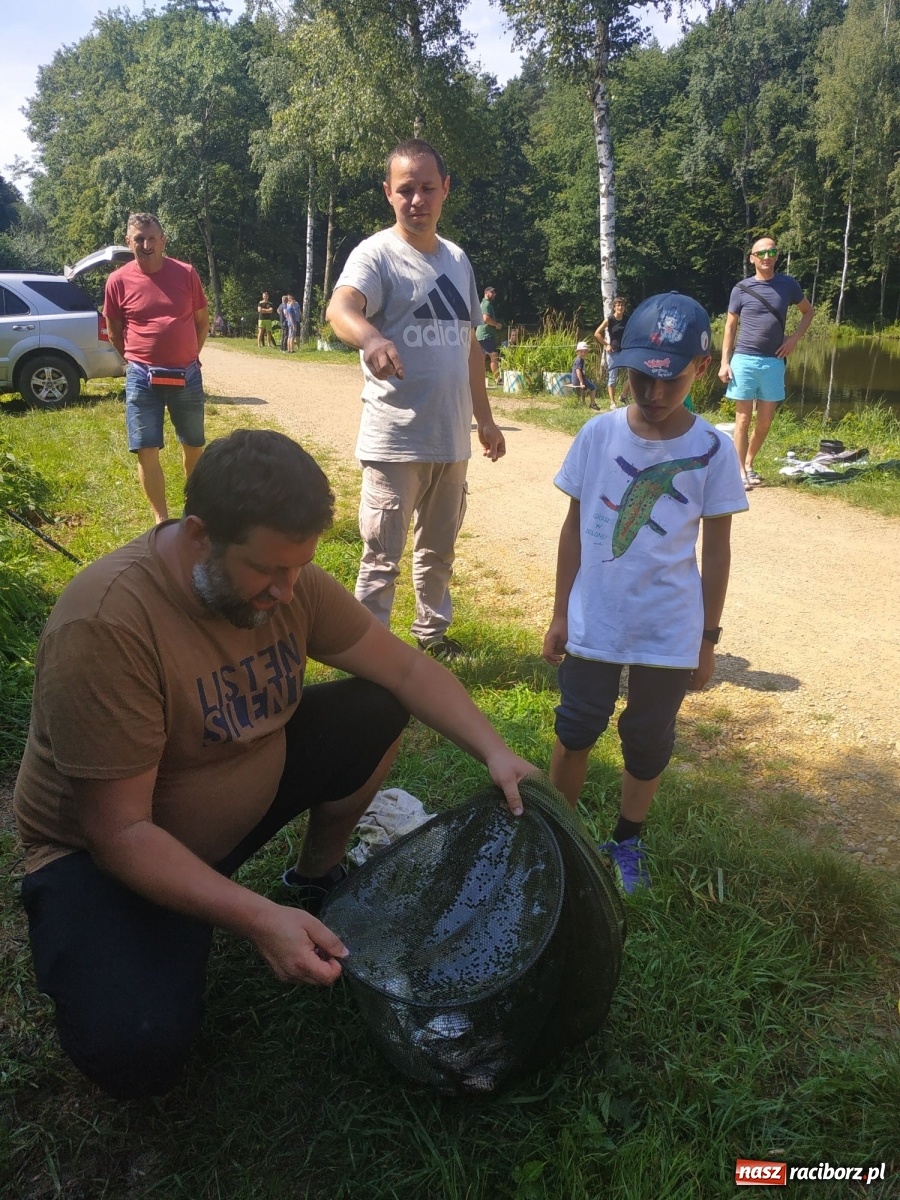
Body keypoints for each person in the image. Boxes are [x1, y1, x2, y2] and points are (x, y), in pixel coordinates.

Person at [13, 428, 534, 1101]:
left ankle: (315, 878)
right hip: (108, 856)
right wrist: (256, 918)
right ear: (199, 536)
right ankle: (176, 924)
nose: (288, 592)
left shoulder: (290, 583)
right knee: (137, 1049)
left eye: (299, 568)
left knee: (376, 704)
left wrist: (495, 751)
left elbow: (405, 668)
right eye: (267, 571)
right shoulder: (109, 627)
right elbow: (120, 835)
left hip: (234, 792)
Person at [542, 294, 748, 893]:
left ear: (701, 371)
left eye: (671, 380)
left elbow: (716, 551)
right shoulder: (597, 434)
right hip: (594, 619)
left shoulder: (713, 449)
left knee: (647, 736)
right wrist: (560, 611)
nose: (653, 394)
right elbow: (574, 530)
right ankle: (560, 836)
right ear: (623, 364)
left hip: (668, 626)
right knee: (577, 723)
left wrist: (708, 638)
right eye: (640, 378)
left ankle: (627, 840)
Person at [326, 139, 506, 660]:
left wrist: (486, 420)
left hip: (451, 439)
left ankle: (432, 638)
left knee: (439, 549)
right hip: (396, 437)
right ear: (389, 193)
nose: (417, 200)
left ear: (445, 189)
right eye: (406, 189)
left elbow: (469, 345)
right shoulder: (376, 254)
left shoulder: (456, 259)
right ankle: (368, 655)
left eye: (428, 188)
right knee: (382, 555)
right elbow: (341, 307)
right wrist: (370, 337)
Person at [104, 212, 209, 525]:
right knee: (146, 449)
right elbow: (113, 331)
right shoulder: (117, 281)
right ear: (128, 242)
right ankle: (162, 522)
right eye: (139, 239)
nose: (146, 245)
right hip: (141, 378)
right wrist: (138, 361)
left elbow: (201, 322)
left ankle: (193, 512)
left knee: (193, 446)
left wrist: (188, 354)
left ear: (163, 241)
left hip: (186, 375)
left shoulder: (186, 273)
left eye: (151, 238)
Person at [718, 236, 814, 490]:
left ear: (777, 256)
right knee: (742, 419)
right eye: (761, 253)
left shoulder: (788, 285)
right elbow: (730, 326)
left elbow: (808, 312)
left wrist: (793, 340)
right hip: (744, 360)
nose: (766, 256)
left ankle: (749, 463)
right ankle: (739, 471)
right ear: (752, 258)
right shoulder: (741, 289)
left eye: (771, 252)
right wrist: (724, 362)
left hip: (773, 361)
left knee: (765, 421)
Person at [594, 296, 631, 409]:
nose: (620, 307)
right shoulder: (610, 319)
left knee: (633, 376)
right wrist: (606, 344)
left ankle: (623, 396)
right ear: (614, 307)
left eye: (622, 305)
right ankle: (612, 402)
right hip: (613, 351)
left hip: (625, 351)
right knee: (612, 377)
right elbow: (597, 333)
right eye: (618, 305)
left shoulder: (627, 319)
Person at [476, 286, 502, 382]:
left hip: (480, 334)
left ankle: (479, 379)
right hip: (486, 334)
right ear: (486, 293)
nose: (494, 295)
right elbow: (486, 319)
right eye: (492, 293)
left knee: (482, 358)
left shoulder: (482, 304)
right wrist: (496, 325)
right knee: (494, 356)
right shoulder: (486, 304)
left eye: (494, 293)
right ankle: (498, 379)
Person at [571, 340, 599, 409]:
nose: (583, 353)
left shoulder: (580, 359)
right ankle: (592, 404)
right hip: (578, 380)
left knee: (585, 388)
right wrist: (581, 382)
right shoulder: (579, 360)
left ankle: (583, 402)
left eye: (585, 351)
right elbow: (578, 371)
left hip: (579, 379)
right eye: (581, 352)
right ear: (577, 352)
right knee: (593, 387)